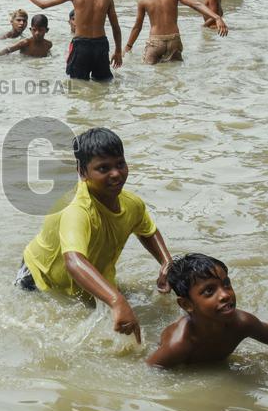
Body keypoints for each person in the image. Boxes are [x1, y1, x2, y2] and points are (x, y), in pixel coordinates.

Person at [14, 127, 173, 342]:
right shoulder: (77, 209)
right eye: (103, 168)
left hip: (86, 275)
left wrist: (166, 262)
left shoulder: (131, 204)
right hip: (40, 280)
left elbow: (147, 230)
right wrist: (117, 301)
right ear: (82, 172)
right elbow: (73, 260)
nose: (116, 173)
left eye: (120, 164)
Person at [146, 253, 268, 368]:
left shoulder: (243, 323)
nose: (225, 295)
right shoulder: (179, 344)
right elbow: (151, 371)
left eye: (226, 284)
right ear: (186, 305)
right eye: (209, 291)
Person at [17, 0, 122, 81]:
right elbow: (116, 27)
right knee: (103, 83)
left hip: (82, 46)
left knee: (77, 85)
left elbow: (43, 4)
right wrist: (118, 52)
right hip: (101, 45)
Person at [125, 0, 228, 64]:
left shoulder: (144, 0)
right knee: (174, 71)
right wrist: (217, 17)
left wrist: (128, 46)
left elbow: (137, 27)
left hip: (156, 42)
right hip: (174, 41)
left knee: (146, 69)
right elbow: (195, 4)